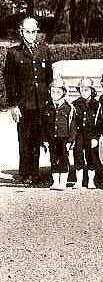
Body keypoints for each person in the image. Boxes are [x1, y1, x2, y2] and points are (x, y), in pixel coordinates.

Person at [3, 16, 53, 185]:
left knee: (38, 138)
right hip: (24, 104)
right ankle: (25, 174)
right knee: (25, 139)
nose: (31, 35)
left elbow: (48, 77)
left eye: (34, 31)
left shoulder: (44, 50)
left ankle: (35, 172)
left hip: (41, 103)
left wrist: (47, 100)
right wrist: (13, 105)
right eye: (28, 31)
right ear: (21, 32)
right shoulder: (14, 53)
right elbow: (9, 81)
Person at [42, 76, 76, 191]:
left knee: (64, 159)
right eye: (53, 91)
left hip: (64, 138)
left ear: (63, 92)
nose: (55, 94)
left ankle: (63, 182)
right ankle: (55, 182)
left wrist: (71, 140)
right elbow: (45, 126)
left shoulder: (69, 107)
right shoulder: (48, 107)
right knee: (53, 159)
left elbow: (72, 125)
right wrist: (45, 139)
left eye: (58, 91)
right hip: (52, 138)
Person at [72, 76, 99, 190]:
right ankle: (79, 181)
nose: (84, 92)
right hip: (79, 134)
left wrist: (95, 137)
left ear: (92, 90)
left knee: (91, 156)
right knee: (78, 155)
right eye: (82, 89)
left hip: (91, 134)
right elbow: (72, 122)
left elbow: (99, 123)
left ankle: (91, 181)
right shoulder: (75, 104)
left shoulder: (97, 105)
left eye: (87, 89)